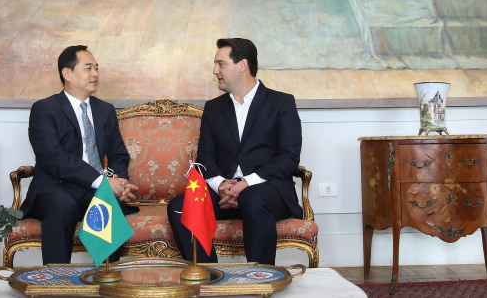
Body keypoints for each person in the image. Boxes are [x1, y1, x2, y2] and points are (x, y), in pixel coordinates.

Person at [167, 38, 302, 265]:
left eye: (221, 64)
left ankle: (260, 278)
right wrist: (220, 184)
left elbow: (288, 158)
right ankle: (209, 275)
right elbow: (205, 158)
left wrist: (246, 183)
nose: (214, 70)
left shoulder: (281, 103)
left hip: (267, 192)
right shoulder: (214, 108)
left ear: (242, 65)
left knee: (252, 196)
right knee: (180, 206)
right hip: (224, 193)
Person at [20, 45, 137, 265]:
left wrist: (119, 181)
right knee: (63, 205)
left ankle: (106, 278)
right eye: (88, 68)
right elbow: (53, 157)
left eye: (96, 68)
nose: (95, 74)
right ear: (67, 74)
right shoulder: (44, 109)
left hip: (92, 188)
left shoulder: (105, 110)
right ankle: (57, 280)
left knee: (109, 202)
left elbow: (119, 155)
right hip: (55, 187)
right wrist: (102, 181)